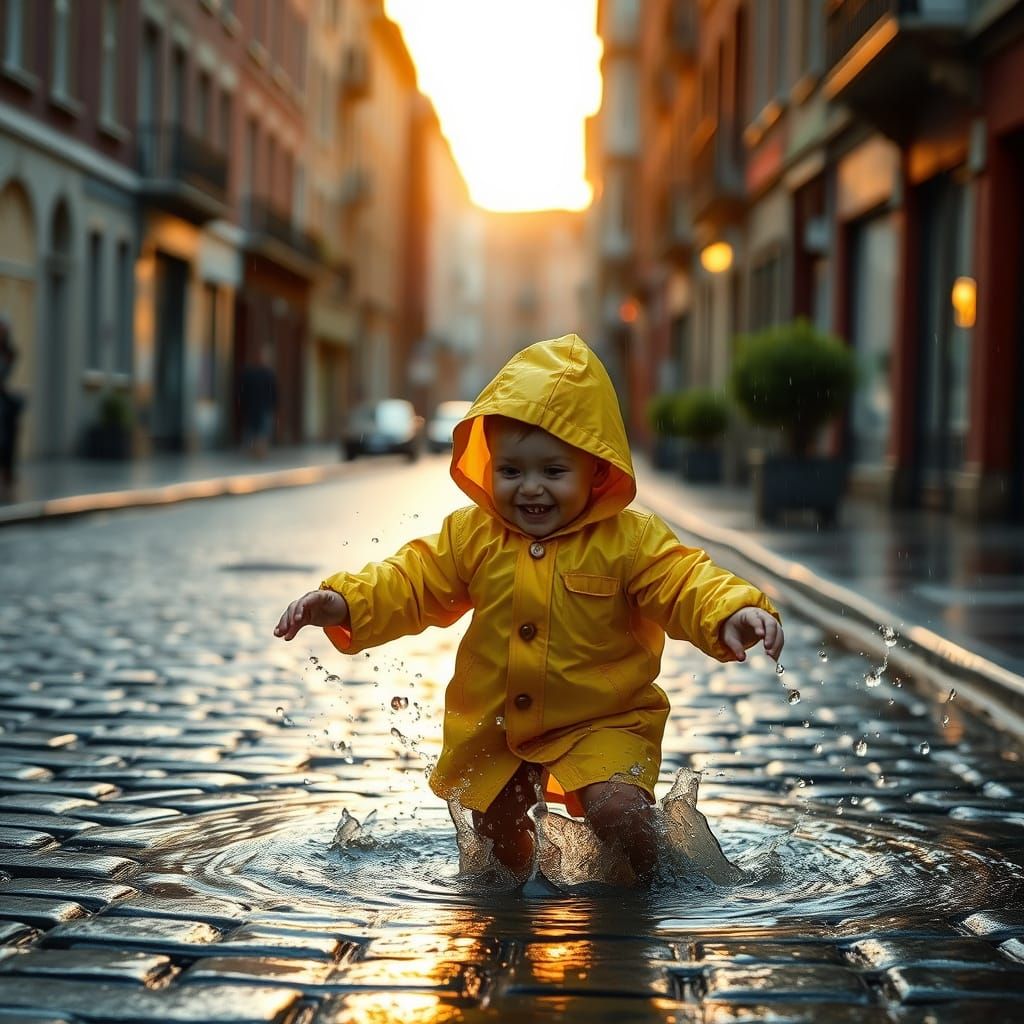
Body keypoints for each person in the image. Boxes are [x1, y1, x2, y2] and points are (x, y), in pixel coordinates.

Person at [275, 334, 783, 883]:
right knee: (499, 848)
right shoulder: (474, 534)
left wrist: (731, 610)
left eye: (553, 472)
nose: (530, 489)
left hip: (605, 718)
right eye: (512, 471)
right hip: (498, 725)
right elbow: (412, 579)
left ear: (595, 470)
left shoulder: (629, 540)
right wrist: (346, 600)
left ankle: (645, 890)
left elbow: (684, 580)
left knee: (621, 814)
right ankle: (509, 922)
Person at [0, 318, 25, 503]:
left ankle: (8, 469)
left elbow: (6, 373)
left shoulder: (9, 352)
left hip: (3, 397)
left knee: (10, 431)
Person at [239, 345, 277, 459]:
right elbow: (243, 391)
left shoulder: (267, 374)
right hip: (258, 407)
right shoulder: (259, 373)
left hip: (259, 407)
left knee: (257, 431)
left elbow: (274, 394)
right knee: (258, 431)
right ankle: (257, 452)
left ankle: (256, 452)